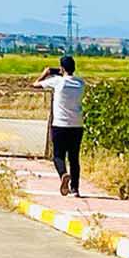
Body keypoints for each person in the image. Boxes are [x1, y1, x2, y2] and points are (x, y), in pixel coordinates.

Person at [36, 55, 85, 196]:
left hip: (60, 124)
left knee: (58, 155)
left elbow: (36, 84)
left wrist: (46, 73)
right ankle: (75, 188)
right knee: (74, 157)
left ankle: (63, 174)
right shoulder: (80, 83)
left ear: (62, 68)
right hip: (77, 124)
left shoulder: (58, 82)